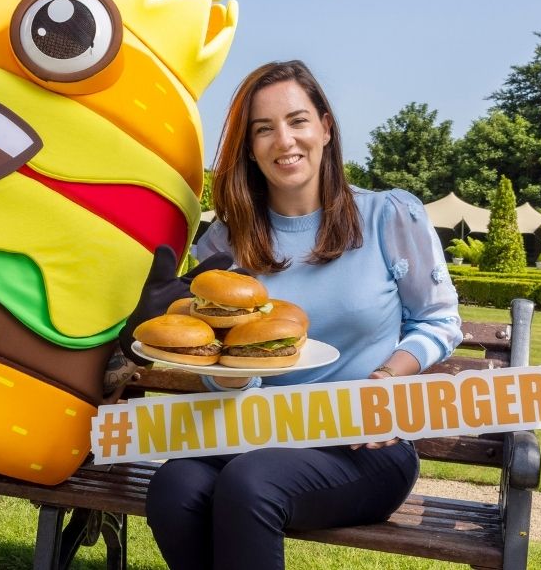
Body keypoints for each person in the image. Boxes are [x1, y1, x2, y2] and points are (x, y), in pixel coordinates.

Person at [141, 60, 463, 569]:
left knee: (251, 483)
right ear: (249, 147)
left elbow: (439, 319)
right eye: (263, 129)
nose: (284, 140)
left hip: (362, 444)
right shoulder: (225, 243)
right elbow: (218, 361)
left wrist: (386, 378)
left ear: (325, 128)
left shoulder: (388, 215)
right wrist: (217, 365)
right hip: (254, 433)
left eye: (297, 121)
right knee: (174, 486)